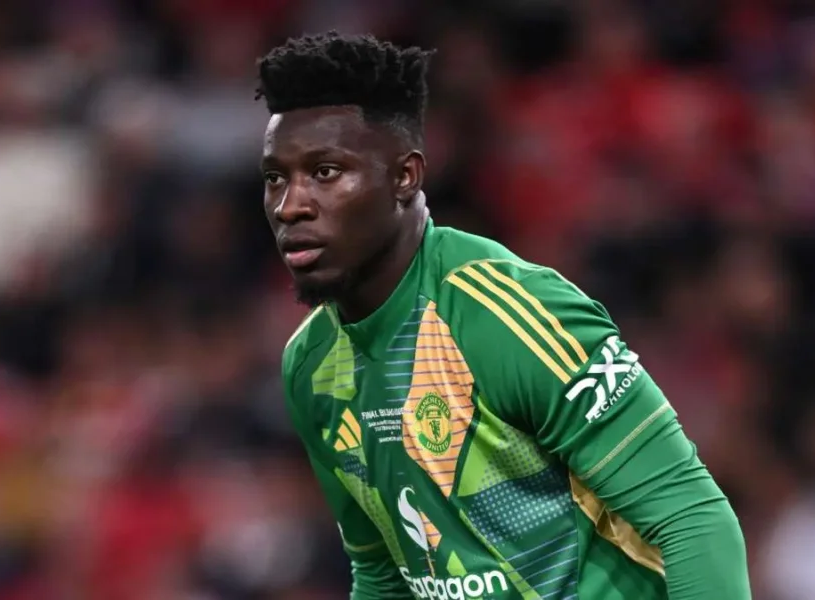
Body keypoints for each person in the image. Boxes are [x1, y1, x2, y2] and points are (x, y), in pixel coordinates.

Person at [257, 31, 750, 600]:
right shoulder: (310, 366)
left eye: (324, 172)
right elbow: (386, 577)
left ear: (404, 177)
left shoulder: (505, 313)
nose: (290, 206)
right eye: (275, 178)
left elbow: (691, 517)